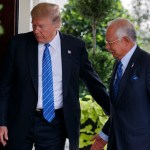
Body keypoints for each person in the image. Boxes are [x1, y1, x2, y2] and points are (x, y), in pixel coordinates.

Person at [0, 3, 110, 150]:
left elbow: (93, 82)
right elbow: (4, 85)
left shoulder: (75, 47)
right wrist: (2, 122)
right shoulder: (18, 44)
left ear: (57, 23)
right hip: (20, 118)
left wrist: (114, 111)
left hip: (54, 123)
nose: (36, 31)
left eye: (41, 26)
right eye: (33, 25)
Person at [91, 18, 150, 150]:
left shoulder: (147, 63)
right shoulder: (117, 64)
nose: (107, 47)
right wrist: (105, 134)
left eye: (110, 42)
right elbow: (118, 108)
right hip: (115, 144)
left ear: (125, 41)